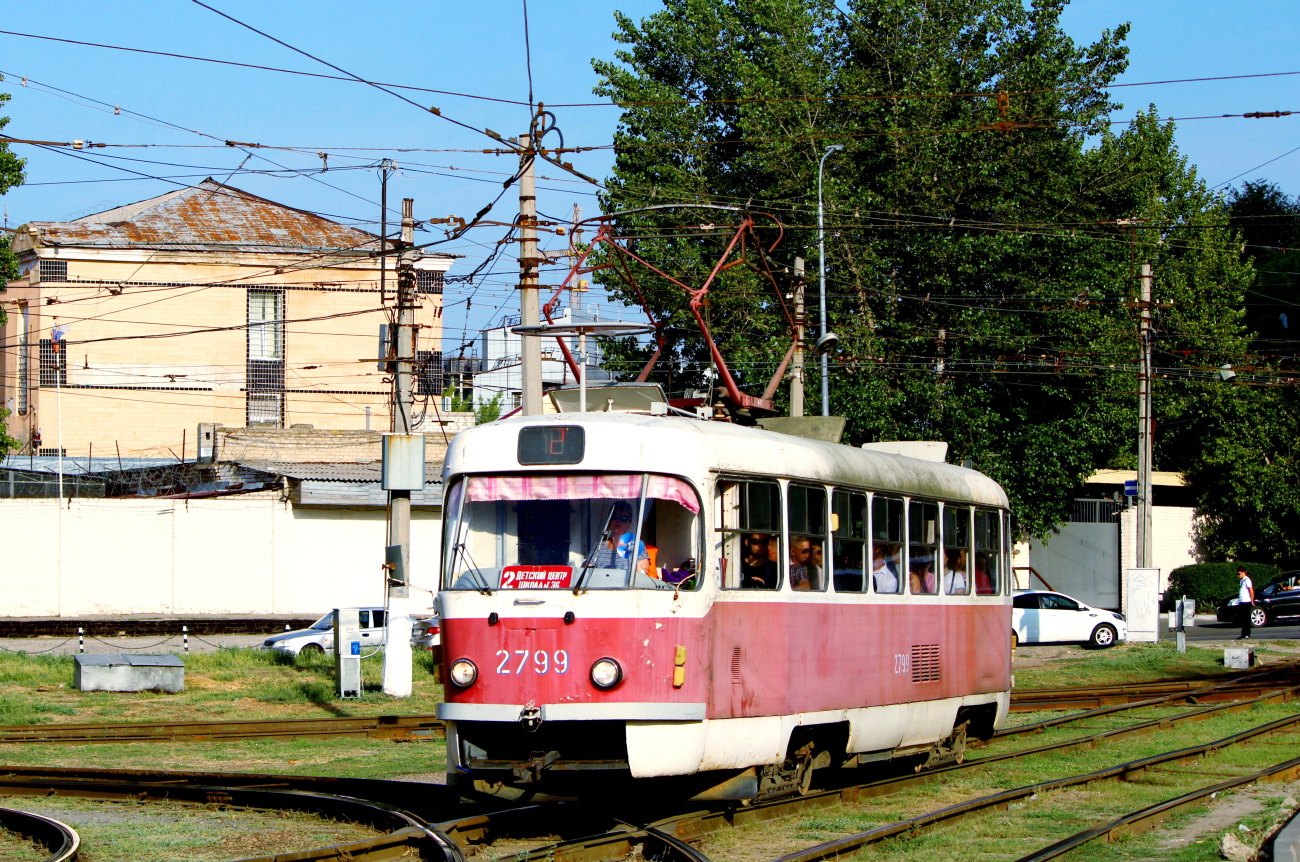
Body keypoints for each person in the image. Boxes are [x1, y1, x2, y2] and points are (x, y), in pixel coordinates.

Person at [591, 502, 650, 575]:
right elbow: (585, 572)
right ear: (609, 521)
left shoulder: (636, 546)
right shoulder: (599, 546)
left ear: (629, 523)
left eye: (624, 518)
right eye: (615, 516)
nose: (618, 521)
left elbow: (642, 578)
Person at [1237, 565, 1255, 640]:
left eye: (1239, 574)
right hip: (1242, 601)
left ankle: (1247, 634)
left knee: (1247, 618)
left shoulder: (1247, 580)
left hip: (1246, 602)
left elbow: (1251, 591)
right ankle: (1243, 634)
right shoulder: (1242, 580)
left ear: (1243, 572)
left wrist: (1252, 600)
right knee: (1243, 619)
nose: (1238, 575)